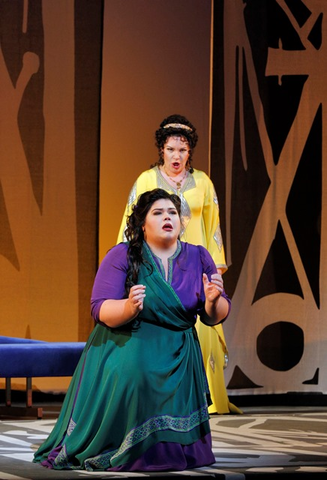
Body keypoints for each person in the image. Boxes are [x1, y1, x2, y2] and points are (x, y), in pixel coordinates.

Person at [33, 189, 231, 472]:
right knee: (138, 373)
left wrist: (213, 302)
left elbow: (217, 315)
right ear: (142, 223)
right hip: (128, 338)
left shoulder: (198, 256)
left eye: (172, 213)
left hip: (178, 349)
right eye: (158, 213)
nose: (167, 218)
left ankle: (173, 448)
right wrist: (128, 308)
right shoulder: (122, 255)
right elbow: (99, 308)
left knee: (150, 372)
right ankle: (128, 446)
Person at [117, 114, 241, 415]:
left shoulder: (203, 183)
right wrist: (127, 265)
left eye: (182, 150)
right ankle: (158, 398)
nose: (177, 156)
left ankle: (206, 400)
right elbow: (129, 225)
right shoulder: (146, 181)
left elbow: (213, 229)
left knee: (203, 328)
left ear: (190, 152)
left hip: (192, 266)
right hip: (154, 265)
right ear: (162, 149)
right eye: (171, 149)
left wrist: (214, 270)